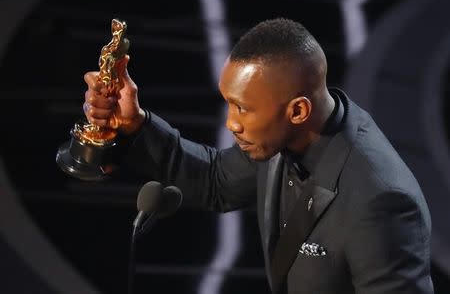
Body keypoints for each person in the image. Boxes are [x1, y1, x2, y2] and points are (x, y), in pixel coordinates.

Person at [82, 18, 434, 293]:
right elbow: (215, 181)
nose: (231, 124)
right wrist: (135, 125)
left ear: (297, 111)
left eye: (242, 109)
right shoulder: (279, 137)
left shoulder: (381, 201)